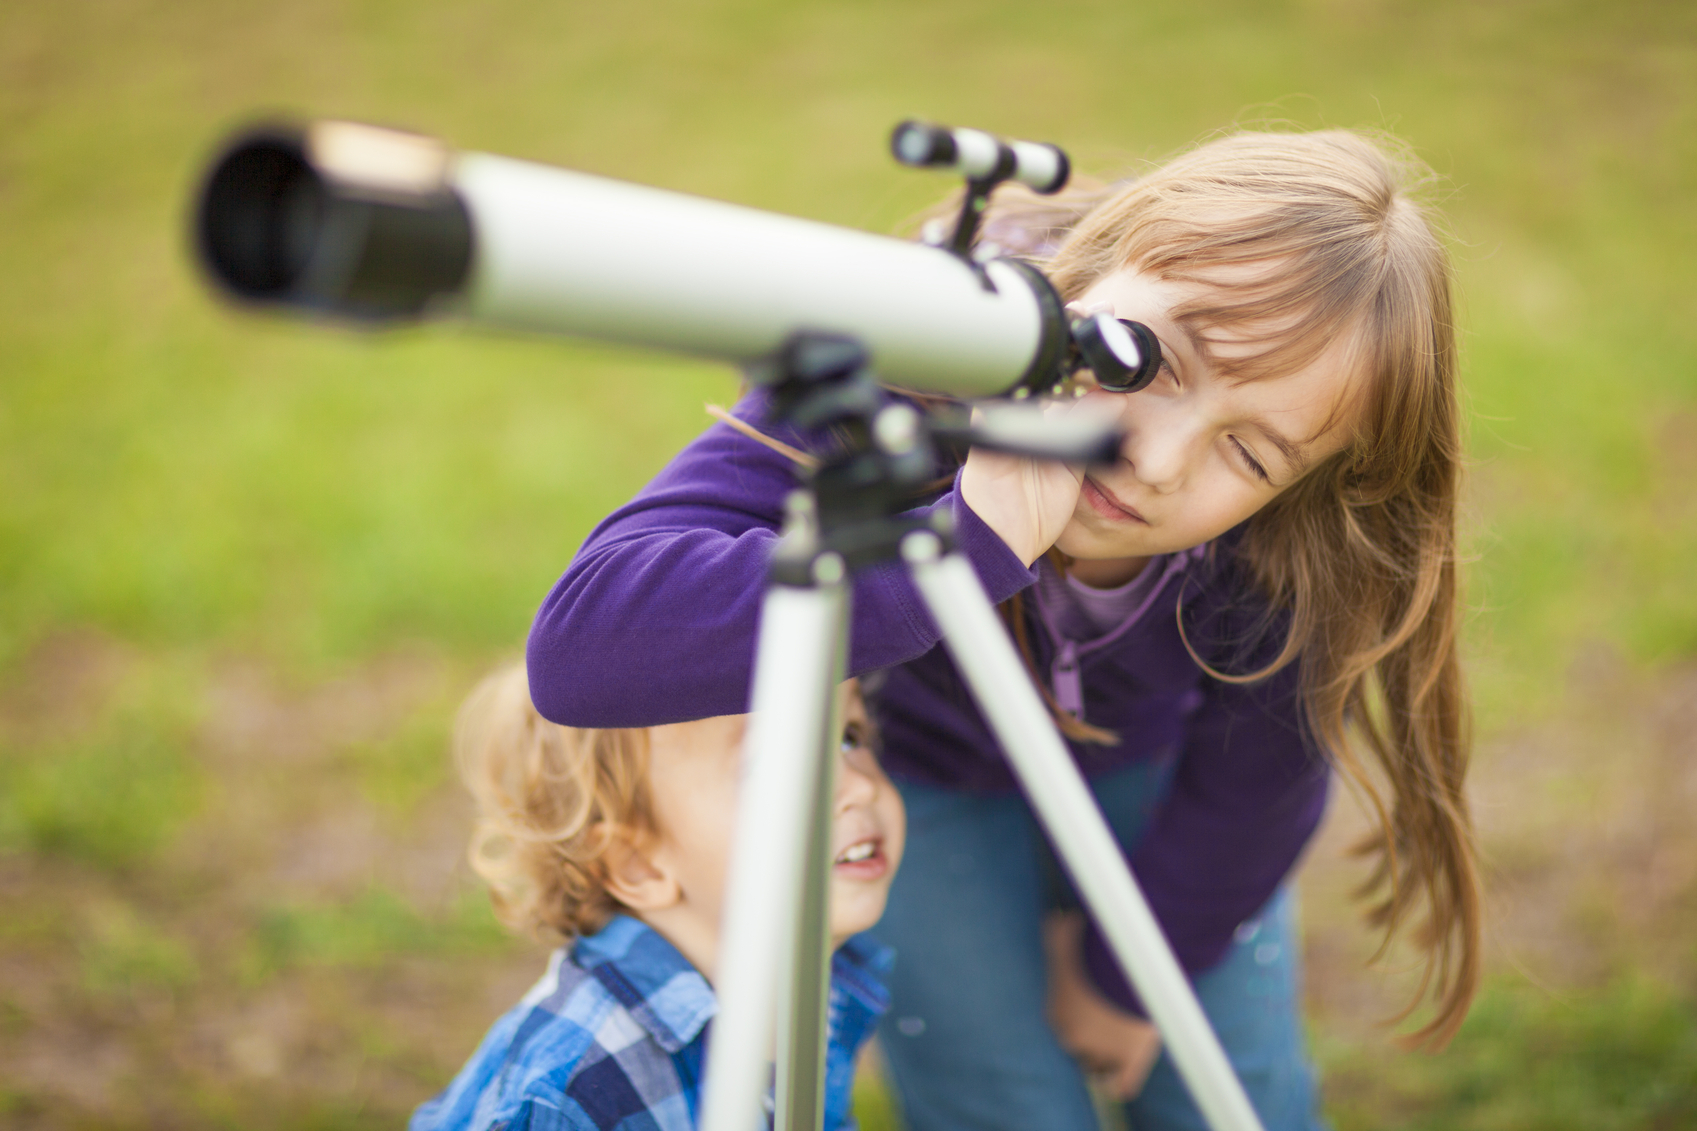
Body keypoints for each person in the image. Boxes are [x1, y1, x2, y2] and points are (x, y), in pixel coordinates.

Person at [526, 129, 1480, 1131]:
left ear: (1303, 482)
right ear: (1096, 265)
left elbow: (1260, 777)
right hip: (923, 784)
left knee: (1231, 1090)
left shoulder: (1280, 549)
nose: (1155, 460)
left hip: (1161, 785)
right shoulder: (908, 364)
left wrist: (1122, 978)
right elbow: (584, 642)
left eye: (1247, 454)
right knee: (1004, 1103)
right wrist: (946, 550)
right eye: (1149, 362)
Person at [412, 666, 905, 1131]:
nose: (859, 787)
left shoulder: (819, 973)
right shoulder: (570, 1096)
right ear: (638, 866)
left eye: (850, 737)